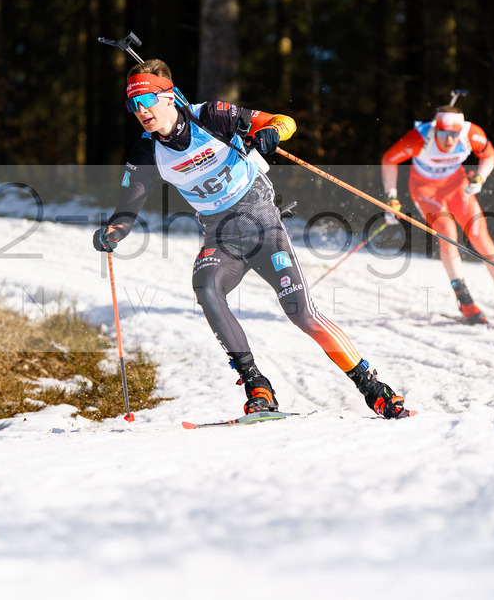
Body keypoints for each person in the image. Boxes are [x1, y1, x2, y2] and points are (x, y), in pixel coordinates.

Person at [93, 59, 411, 419]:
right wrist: (113, 232)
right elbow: (126, 209)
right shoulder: (146, 150)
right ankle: (257, 386)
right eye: (132, 105)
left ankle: (373, 388)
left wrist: (271, 132)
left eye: (145, 101)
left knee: (302, 313)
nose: (140, 111)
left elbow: (284, 122)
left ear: (168, 96)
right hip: (221, 235)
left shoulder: (210, 116)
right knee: (206, 287)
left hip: (262, 223)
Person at [381, 104, 494, 324]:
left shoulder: (471, 134)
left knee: (479, 235)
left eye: (454, 134)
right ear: (435, 129)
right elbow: (389, 159)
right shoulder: (419, 138)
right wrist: (392, 197)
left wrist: (480, 178)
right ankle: (464, 300)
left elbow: (490, 154)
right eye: (443, 133)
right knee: (447, 233)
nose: (449, 140)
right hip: (425, 188)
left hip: (456, 185)